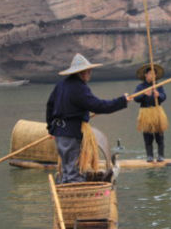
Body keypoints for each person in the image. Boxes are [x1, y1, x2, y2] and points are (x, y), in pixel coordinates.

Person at [46, 53, 129, 183]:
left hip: (60, 133)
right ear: (81, 72)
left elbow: (50, 106)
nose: (90, 73)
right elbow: (98, 106)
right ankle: (76, 200)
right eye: (88, 71)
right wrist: (121, 101)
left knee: (67, 170)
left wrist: (51, 129)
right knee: (74, 171)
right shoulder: (79, 88)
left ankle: (66, 197)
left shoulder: (61, 85)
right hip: (71, 134)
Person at [133, 63, 168, 162]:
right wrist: (144, 94)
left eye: (154, 74)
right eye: (150, 74)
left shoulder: (158, 86)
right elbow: (136, 98)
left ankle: (161, 155)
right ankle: (150, 156)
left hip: (157, 111)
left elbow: (164, 97)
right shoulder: (140, 86)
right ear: (146, 75)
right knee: (148, 136)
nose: (152, 76)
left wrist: (158, 95)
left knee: (159, 135)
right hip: (146, 112)